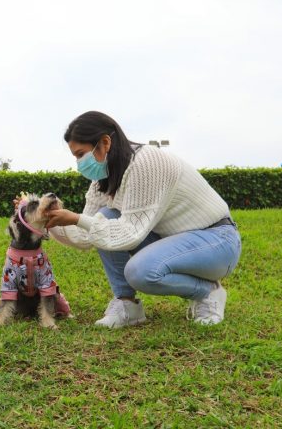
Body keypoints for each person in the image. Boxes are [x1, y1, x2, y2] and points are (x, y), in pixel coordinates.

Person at [45, 111, 242, 328]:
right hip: (176, 242)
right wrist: (46, 219)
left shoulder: (146, 163)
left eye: (81, 154)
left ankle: (208, 293)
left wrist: (74, 218)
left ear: (105, 143)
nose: (79, 163)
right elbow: (86, 234)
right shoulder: (104, 177)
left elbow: (128, 234)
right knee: (107, 217)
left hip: (217, 241)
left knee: (140, 271)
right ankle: (127, 305)